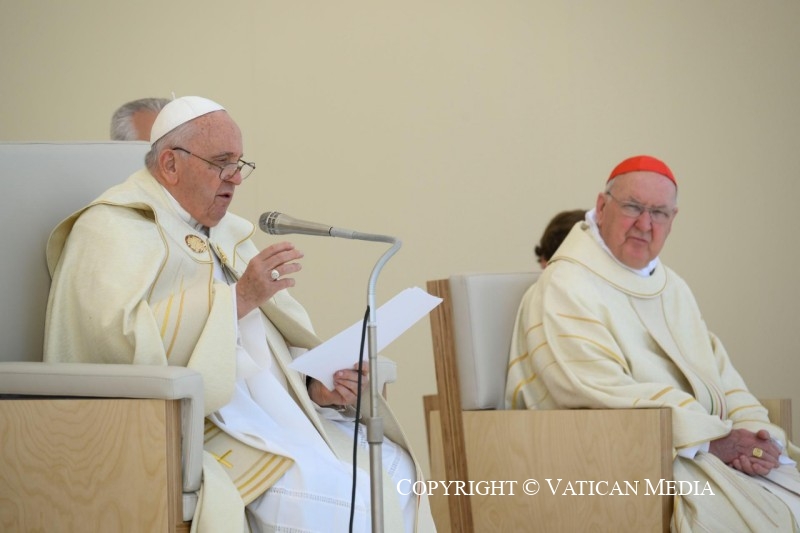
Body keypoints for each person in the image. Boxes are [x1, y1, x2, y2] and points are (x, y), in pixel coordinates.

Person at [45, 96, 434, 532]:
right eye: (221, 163)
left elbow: (263, 353)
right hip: (195, 426)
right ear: (170, 165)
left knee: (396, 473)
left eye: (240, 164)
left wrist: (313, 386)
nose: (235, 179)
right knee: (342, 499)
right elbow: (115, 345)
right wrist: (238, 298)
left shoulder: (229, 234)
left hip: (272, 416)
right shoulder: (111, 228)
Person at [505, 155, 800, 530]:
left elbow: (720, 375)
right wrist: (715, 439)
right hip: (625, 459)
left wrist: (758, 434)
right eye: (632, 207)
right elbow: (595, 391)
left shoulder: (672, 287)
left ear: (673, 220)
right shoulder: (566, 285)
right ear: (601, 206)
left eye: (659, 213)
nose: (645, 224)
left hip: (693, 444)